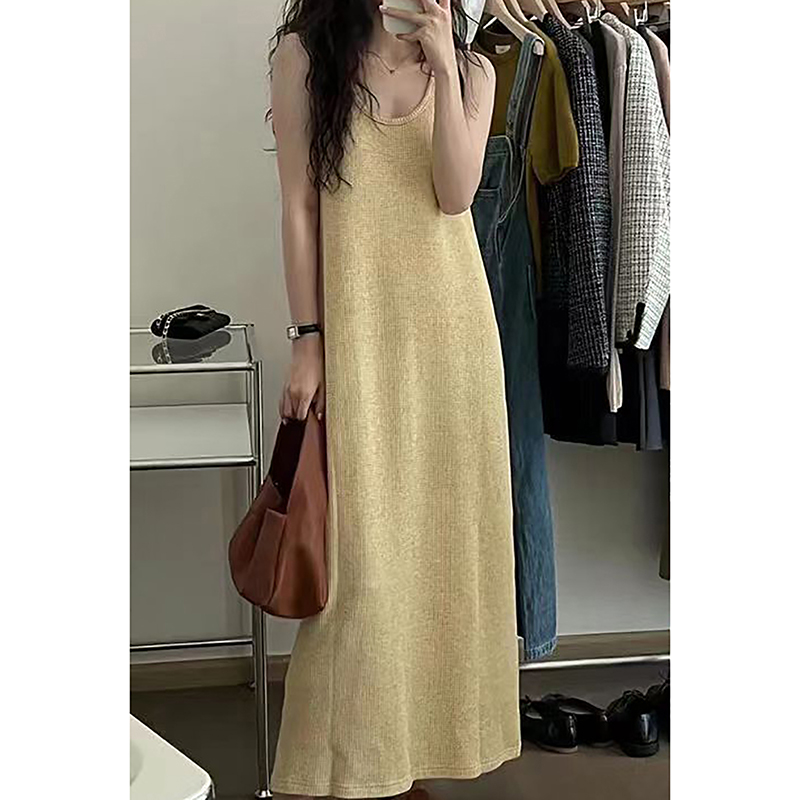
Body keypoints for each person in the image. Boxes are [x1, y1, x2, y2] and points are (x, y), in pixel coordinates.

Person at [270, 2, 520, 797]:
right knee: (365, 569)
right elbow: (299, 205)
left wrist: (446, 63)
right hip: (358, 339)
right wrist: (307, 339)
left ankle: (408, 763)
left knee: (442, 559)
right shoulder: (305, 58)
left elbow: (455, 195)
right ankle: (351, 768)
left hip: (453, 344)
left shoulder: (472, 70)